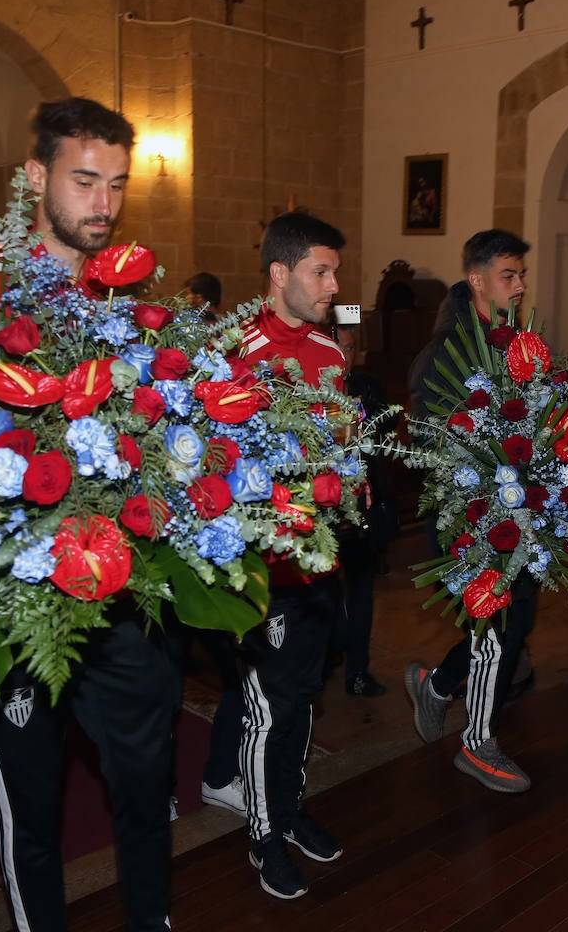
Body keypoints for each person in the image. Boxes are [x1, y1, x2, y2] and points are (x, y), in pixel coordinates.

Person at [0, 98, 181, 932]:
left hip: (121, 593)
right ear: (36, 178)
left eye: (118, 185)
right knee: (31, 806)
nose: (104, 204)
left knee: (143, 780)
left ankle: (152, 919)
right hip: (20, 601)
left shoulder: (131, 296)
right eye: (85, 181)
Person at [237, 211, 348, 899]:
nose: (334, 283)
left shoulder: (332, 355)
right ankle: (261, 834)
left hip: (321, 561)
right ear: (280, 275)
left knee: (305, 697)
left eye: (334, 270)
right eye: (321, 270)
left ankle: (289, 805)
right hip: (263, 568)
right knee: (266, 708)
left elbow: (337, 450)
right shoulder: (237, 351)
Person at [403, 228, 537, 794]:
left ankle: (436, 685)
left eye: (522, 275)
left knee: (514, 623)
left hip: (516, 509)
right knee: (500, 624)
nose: (521, 286)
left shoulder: (513, 343)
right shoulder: (447, 352)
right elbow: (433, 441)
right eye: (510, 275)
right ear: (477, 280)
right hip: (467, 517)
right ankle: (478, 744)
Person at [329, 309, 398, 697]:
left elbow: (384, 431)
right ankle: (330, 654)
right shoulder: (306, 389)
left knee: (362, 592)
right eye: (338, 347)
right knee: (324, 594)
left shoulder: (366, 387)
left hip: (364, 506)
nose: (344, 356)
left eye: (351, 348)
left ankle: (358, 670)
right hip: (323, 508)